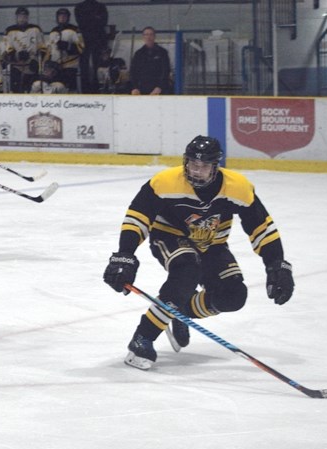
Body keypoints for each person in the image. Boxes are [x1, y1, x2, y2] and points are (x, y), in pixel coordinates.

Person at [102, 136, 295, 370]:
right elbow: (137, 218)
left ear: (216, 167)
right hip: (170, 236)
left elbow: (261, 228)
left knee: (233, 296)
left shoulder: (238, 188)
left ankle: (179, 308)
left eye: (203, 166)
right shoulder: (165, 182)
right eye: (193, 164)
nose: (196, 171)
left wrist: (276, 265)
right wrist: (125, 255)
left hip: (212, 245)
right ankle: (142, 338)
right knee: (187, 270)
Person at [3, 7, 45, 94]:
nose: (22, 18)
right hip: (17, 66)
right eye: (20, 16)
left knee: (33, 90)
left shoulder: (36, 29)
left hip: (32, 65)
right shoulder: (9, 31)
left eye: (24, 16)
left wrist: (38, 62)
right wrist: (16, 56)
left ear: (27, 17)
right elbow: (8, 49)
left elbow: (42, 48)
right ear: (16, 17)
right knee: (16, 92)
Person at [73, 0, 108, 93]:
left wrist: (88, 18)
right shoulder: (79, 7)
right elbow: (81, 22)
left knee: (99, 67)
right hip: (84, 40)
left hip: (99, 40)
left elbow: (103, 21)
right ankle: (85, 92)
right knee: (84, 68)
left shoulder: (101, 7)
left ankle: (97, 91)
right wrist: (95, 18)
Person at [45, 8, 83, 93]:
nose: (62, 17)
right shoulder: (53, 31)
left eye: (64, 16)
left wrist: (68, 47)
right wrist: (47, 63)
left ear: (68, 17)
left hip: (70, 67)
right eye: (60, 15)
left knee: (70, 90)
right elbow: (49, 50)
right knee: (56, 89)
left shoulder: (75, 30)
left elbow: (81, 48)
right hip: (55, 67)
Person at [129, 26, 170, 95]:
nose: (148, 37)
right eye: (146, 34)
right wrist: (134, 87)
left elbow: (166, 71)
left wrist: (159, 87)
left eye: (151, 34)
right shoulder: (138, 54)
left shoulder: (162, 52)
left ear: (154, 36)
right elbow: (133, 72)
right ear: (143, 37)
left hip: (159, 91)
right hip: (142, 90)